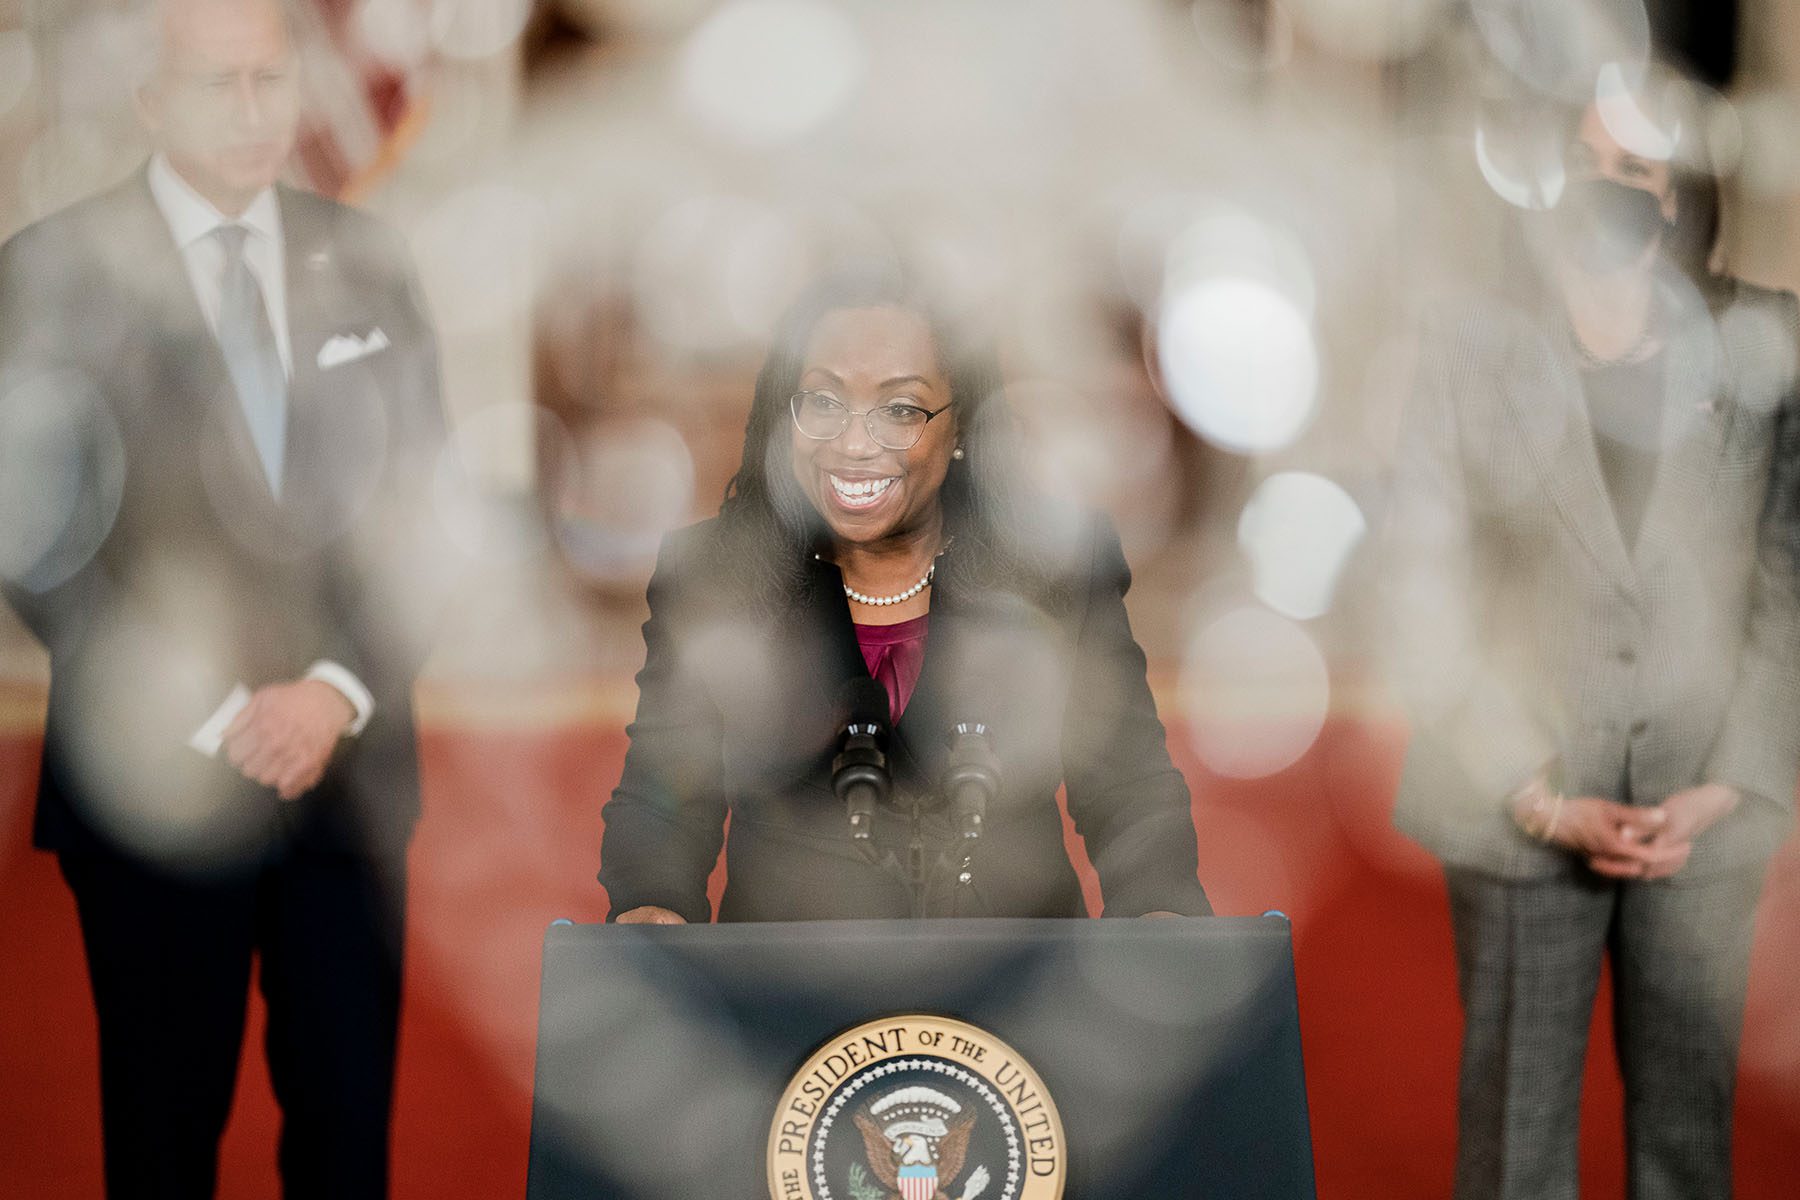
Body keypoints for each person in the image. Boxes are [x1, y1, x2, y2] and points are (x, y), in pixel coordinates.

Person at [0, 0, 445, 1195]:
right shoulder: (49, 272)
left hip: (347, 790)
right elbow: (35, 538)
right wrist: (210, 707)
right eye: (215, 85)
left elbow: (423, 508)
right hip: (149, 789)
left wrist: (333, 691)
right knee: (159, 1141)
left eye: (270, 81)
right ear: (148, 102)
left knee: (348, 1141)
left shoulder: (369, 262)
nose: (253, 113)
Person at [1384, 82, 1800, 1200]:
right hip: (1518, 807)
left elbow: (1791, 581)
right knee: (1514, 1153)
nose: (1609, 190)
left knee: (1687, 1147)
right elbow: (1421, 580)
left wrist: (1732, 785)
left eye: (1638, 168)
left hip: (1705, 821)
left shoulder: (1763, 353)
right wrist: (1530, 787)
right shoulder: (1465, 343)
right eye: (1584, 160)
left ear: (1679, 192)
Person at [598, 269, 1211, 923]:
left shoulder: (1053, 571)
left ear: (963, 428)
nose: (855, 445)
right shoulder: (716, 579)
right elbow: (663, 796)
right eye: (824, 402)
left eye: (900, 409)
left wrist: (1158, 911)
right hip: (786, 995)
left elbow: (1130, 791)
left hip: (1020, 996)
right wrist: (652, 903)